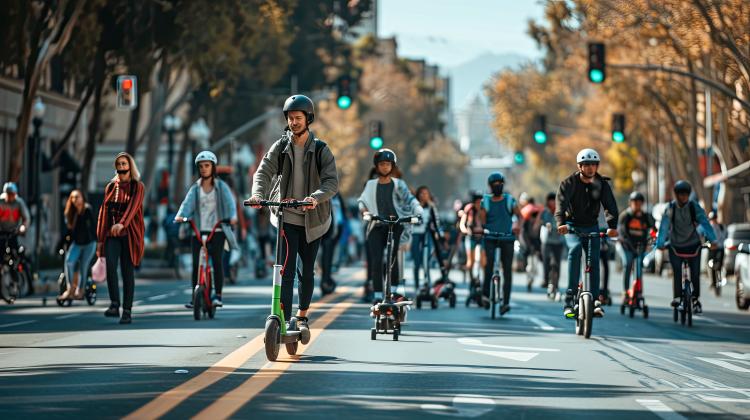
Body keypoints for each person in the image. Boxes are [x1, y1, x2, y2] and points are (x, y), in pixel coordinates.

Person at [246, 94, 338, 332]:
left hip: (313, 220)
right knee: (285, 270)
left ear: (309, 119)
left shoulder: (321, 150)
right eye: (290, 118)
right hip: (286, 217)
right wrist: (258, 195)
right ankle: (284, 319)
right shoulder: (280, 147)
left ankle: (303, 315)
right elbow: (263, 172)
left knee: (306, 271)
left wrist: (314, 199)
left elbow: (331, 183)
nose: (294, 122)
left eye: (298, 118)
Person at [555, 148, 618, 318]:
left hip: (592, 227)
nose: (590, 168)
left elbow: (610, 206)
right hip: (572, 227)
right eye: (586, 165)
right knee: (575, 250)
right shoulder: (568, 183)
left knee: (594, 259)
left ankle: (596, 300)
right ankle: (569, 300)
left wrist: (612, 226)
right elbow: (560, 206)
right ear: (579, 166)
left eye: (594, 165)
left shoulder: (601, 184)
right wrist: (561, 223)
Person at [175, 151, 238, 308]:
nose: (204, 169)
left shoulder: (221, 187)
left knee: (217, 261)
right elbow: (186, 205)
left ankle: (217, 295)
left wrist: (232, 216)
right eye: (201, 166)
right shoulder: (195, 189)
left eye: (207, 166)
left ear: (213, 167)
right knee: (196, 264)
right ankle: (194, 296)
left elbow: (231, 205)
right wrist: (180, 216)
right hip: (198, 230)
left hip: (217, 231)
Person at [358, 149, 422, 304]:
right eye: (382, 164)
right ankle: (378, 295)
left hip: (395, 225)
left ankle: (392, 293)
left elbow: (410, 200)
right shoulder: (371, 185)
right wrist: (365, 212)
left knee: (393, 259)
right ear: (377, 166)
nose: (385, 167)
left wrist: (418, 211)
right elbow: (362, 201)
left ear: (392, 166)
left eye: (388, 164)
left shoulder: (399, 184)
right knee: (376, 260)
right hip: (376, 224)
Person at [96, 152, 145, 324]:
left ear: (130, 166)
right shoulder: (110, 187)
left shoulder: (137, 187)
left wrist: (122, 224)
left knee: (127, 272)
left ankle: (127, 311)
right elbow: (103, 214)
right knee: (110, 266)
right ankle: (114, 304)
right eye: (119, 165)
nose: (122, 168)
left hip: (130, 235)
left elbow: (133, 208)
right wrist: (100, 241)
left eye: (125, 164)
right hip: (112, 235)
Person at [655, 180, 717, 313]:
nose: (683, 197)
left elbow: (705, 223)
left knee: (695, 274)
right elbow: (664, 226)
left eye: (685, 194)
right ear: (676, 195)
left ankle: (695, 299)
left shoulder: (694, 207)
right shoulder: (670, 208)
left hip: (693, 245)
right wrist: (660, 243)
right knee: (677, 272)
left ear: (688, 195)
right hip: (675, 246)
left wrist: (713, 240)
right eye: (680, 194)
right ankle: (677, 297)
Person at [479, 172, 521, 315]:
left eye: (500, 183)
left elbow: (518, 216)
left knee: (507, 269)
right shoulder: (485, 201)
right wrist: (480, 228)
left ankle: (506, 302)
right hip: (490, 237)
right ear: (490, 186)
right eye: (494, 184)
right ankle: (485, 295)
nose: (497, 186)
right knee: (488, 265)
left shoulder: (510, 200)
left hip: (508, 237)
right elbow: (482, 220)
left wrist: (516, 225)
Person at [617, 191, 656, 301]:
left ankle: (638, 291)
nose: (637, 205)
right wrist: (630, 245)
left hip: (640, 246)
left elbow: (653, 228)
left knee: (639, 266)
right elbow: (623, 233)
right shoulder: (625, 216)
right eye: (634, 202)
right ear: (630, 203)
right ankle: (625, 291)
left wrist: (654, 235)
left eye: (639, 203)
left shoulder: (646, 216)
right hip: (626, 246)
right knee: (628, 263)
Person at [61, 189, 97, 300]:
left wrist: (99, 243)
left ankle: (80, 291)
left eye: (78, 197)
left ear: (82, 198)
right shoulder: (70, 212)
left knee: (83, 266)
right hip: (77, 243)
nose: (75, 199)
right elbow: (68, 231)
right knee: (69, 261)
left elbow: (93, 227)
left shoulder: (87, 210)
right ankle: (69, 288)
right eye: (73, 197)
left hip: (89, 244)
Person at [411, 186, 441, 291]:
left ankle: (427, 283)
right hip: (415, 234)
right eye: (422, 193)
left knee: (426, 261)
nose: (424, 195)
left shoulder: (431, 207)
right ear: (418, 194)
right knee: (416, 261)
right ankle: (417, 286)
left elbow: (436, 221)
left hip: (427, 235)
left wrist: (437, 233)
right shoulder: (413, 205)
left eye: (426, 193)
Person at [536, 192, 564, 296]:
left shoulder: (560, 211)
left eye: (554, 200)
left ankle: (556, 284)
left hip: (558, 241)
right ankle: (546, 280)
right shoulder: (545, 212)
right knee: (546, 261)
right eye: (550, 200)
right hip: (547, 241)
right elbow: (540, 221)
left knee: (557, 263)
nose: (552, 202)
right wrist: (545, 224)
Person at [459, 191, 485, 283]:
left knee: (483, 262)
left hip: (482, 237)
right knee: (470, 262)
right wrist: (465, 230)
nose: (479, 204)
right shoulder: (469, 209)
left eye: (480, 202)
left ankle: (484, 280)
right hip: (471, 237)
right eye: (477, 202)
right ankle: (471, 280)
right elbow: (462, 223)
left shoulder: (484, 210)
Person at [0, 182, 30, 250]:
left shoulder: (19, 203)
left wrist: (24, 226)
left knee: (17, 249)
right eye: (8, 194)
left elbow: (26, 217)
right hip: (1, 232)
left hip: (14, 232)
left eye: (12, 194)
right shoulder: (1, 202)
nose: (10, 196)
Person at [707, 211, 726, 293]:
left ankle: (720, 278)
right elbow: (705, 238)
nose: (713, 221)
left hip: (720, 249)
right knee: (710, 265)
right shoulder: (708, 228)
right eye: (711, 219)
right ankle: (713, 282)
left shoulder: (721, 227)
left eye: (714, 219)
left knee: (719, 265)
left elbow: (725, 236)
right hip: (712, 249)